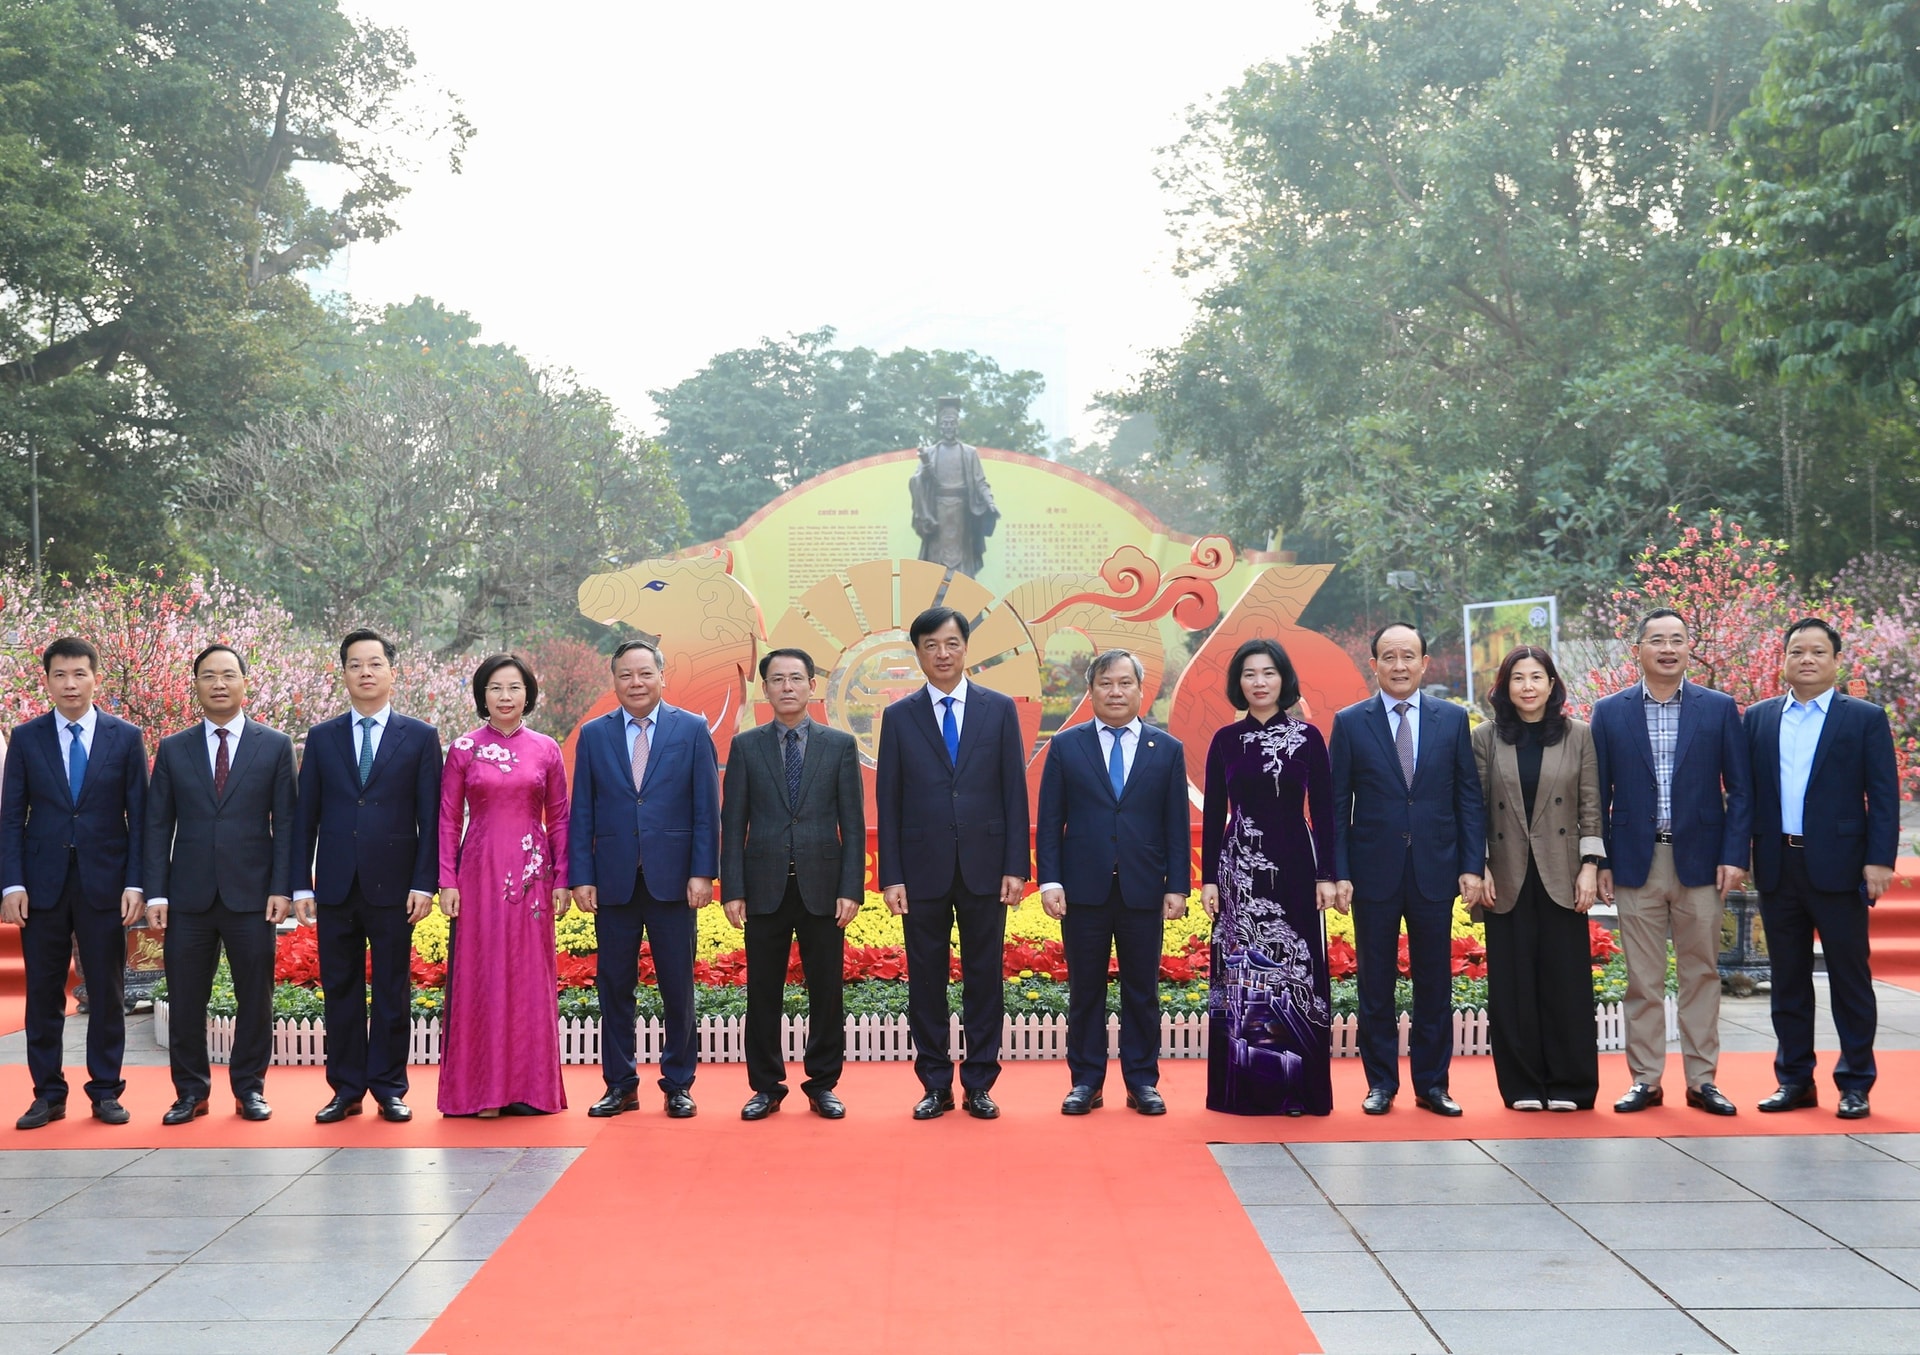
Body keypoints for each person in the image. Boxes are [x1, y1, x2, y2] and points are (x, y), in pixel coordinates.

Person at [1591, 607, 1751, 1116]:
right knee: (1643, 977)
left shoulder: (1719, 707)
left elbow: (1740, 790)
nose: (1667, 648)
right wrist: (1600, 860)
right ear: (1637, 650)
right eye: (1656, 639)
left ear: (1689, 649)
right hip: (1636, 860)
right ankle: (1646, 1079)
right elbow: (1596, 794)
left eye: (1677, 640)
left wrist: (1734, 854)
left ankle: (1703, 1080)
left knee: (1702, 972)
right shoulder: (1610, 711)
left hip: (1702, 862)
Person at [876, 605, 1029, 1120]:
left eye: (951, 643)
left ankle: (981, 1082)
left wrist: (1016, 864)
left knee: (984, 976)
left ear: (966, 648)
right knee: (926, 979)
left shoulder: (999, 708)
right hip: (921, 870)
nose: (942, 654)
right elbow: (888, 800)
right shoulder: (898, 717)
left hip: (986, 866)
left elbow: (1014, 790)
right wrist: (890, 874)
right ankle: (935, 1083)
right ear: (918, 653)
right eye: (931, 646)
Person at [1745, 618, 1899, 1120]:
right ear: (1783, 661)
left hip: (1841, 865)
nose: (1805, 659)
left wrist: (1879, 860)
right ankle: (1794, 1080)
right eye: (1796, 651)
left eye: (1817, 652)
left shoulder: (1864, 718)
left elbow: (1883, 795)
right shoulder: (1761, 718)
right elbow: (1745, 795)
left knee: (1849, 980)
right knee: (1787, 980)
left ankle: (1856, 1083)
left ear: (1835, 660)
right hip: (1777, 864)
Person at [1331, 623, 1484, 1117]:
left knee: (1434, 983)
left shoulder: (1452, 720)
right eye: (1389, 657)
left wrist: (1471, 864)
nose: (1399, 666)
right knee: (1374, 983)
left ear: (1424, 662)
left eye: (1408, 656)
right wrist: (1339, 871)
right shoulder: (1351, 722)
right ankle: (1380, 1084)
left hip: (1435, 870)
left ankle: (1433, 1084)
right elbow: (1335, 806)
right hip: (1373, 871)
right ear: (1372, 664)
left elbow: (1467, 798)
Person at [292, 628, 443, 1125]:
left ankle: (389, 1088)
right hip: (335, 884)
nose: (365, 672)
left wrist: (425, 883)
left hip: (395, 887)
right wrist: (300, 882)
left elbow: (431, 817)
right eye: (355, 664)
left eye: (375, 663)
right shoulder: (321, 737)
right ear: (344, 674)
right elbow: (305, 816)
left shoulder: (420, 737)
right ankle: (346, 1088)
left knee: (393, 989)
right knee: (340, 988)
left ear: (391, 672)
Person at [145, 644, 296, 1124]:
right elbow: (155, 825)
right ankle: (190, 1092)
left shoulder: (274, 745)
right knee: (186, 997)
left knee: (256, 996)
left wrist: (282, 888)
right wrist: (157, 891)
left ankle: (249, 1089)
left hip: (253, 897)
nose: (219, 683)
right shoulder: (173, 748)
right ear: (196, 685)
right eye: (208, 675)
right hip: (188, 898)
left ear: (244, 683)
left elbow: (287, 825)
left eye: (228, 674)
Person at [1, 637, 147, 1130]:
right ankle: (47, 1094)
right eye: (60, 675)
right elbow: (9, 818)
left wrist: (136, 884)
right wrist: (11, 884)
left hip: (106, 882)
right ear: (46, 681)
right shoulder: (26, 737)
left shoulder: (125, 737)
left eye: (79, 674)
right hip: (40, 885)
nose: (69, 684)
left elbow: (141, 817)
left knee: (107, 990)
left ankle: (105, 1091)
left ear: (95, 677)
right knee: (43, 993)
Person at [1037, 649, 1190, 1116]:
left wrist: (1177, 886)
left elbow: (1176, 825)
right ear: (1092, 690)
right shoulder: (1067, 746)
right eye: (1106, 683)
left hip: (1143, 888)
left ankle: (1142, 1081)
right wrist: (1050, 882)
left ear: (1141, 690)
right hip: (1084, 890)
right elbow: (1050, 822)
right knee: (1086, 989)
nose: (1116, 691)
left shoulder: (1165, 749)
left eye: (1125, 683)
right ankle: (1086, 1081)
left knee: (1141, 990)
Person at [569, 640, 719, 1119]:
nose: (636, 683)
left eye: (644, 674)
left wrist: (702, 872)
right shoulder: (594, 735)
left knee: (677, 985)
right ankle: (620, 1084)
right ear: (614, 680)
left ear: (661, 676)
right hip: (612, 881)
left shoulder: (692, 729)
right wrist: (581, 875)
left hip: (673, 880)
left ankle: (678, 1083)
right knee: (614, 984)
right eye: (626, 676)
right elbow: (583, 811)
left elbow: (705, 808)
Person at [720, 648, 864, 1120]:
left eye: (796, 678)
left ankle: (823, 1084)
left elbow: (854, 824)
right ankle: (766, 1086)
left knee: (827, 993)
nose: (787, 686)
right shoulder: (746, 746)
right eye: (777, 679)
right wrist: (733, 889)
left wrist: (851, 887)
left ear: (811, 686)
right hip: (763, 887)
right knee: (763, 992)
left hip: (823, 887)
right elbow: (733, 821)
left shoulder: (839, 745)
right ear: (766, 689)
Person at [1201, 638, 1339, 1116]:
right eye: (1249, 674)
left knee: (1293, 972)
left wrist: (1327, 873)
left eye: (1268, 673)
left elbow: (1323, 812)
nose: (1259, 682)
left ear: (1284, 679)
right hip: (1239, 866)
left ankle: (1296, 1089)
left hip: (1297, 865)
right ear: (1238, 683)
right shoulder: (1224, 740)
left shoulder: (1309, 738)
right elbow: (1215, 811)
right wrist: (1209, 880)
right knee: (1241, 975)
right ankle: (1245, 1089)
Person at [1471, 646, 1604, 1112]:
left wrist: (1591, 866)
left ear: (1552, 684)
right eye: (1518, 678)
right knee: (1512, 985)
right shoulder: (1486, 738)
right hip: (1504, 875)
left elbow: (1591, 806)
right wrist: (1479, 863)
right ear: (1504, 687)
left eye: (1537, 677)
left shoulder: (1578, 736)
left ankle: (1571, 1084)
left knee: (1565, 981)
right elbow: (1476, 808)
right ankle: (1522, 1085)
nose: (1528, 687)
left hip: (1563, 873)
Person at [436, 655, 571, 1118]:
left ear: (528, 694)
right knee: (483, 973)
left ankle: (530, 1090)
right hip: (478, 872)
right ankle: (482, 1093)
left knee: (531, 976)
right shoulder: (462, 749)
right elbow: (448, 818)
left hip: (534, 874)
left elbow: (560, 818)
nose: (506, 697)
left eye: (514, 688)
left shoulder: (547, 749)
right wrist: (446, 880)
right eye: (496, 688)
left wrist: (563, 879)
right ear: (482, 696)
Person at [908, 395, 1000, 577]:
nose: (949, 427)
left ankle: (962, 593)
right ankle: (937, 596)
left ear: (957, 425)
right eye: (945, 423)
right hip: (938, 513)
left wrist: (990, 502)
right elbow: (916, 480)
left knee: (962, 557)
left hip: (962, 513)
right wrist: (925, 473)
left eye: (952, 423)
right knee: (937, 558)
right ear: (940, 426)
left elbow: (980, 481)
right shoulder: (930, 453)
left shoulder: (969, 453)